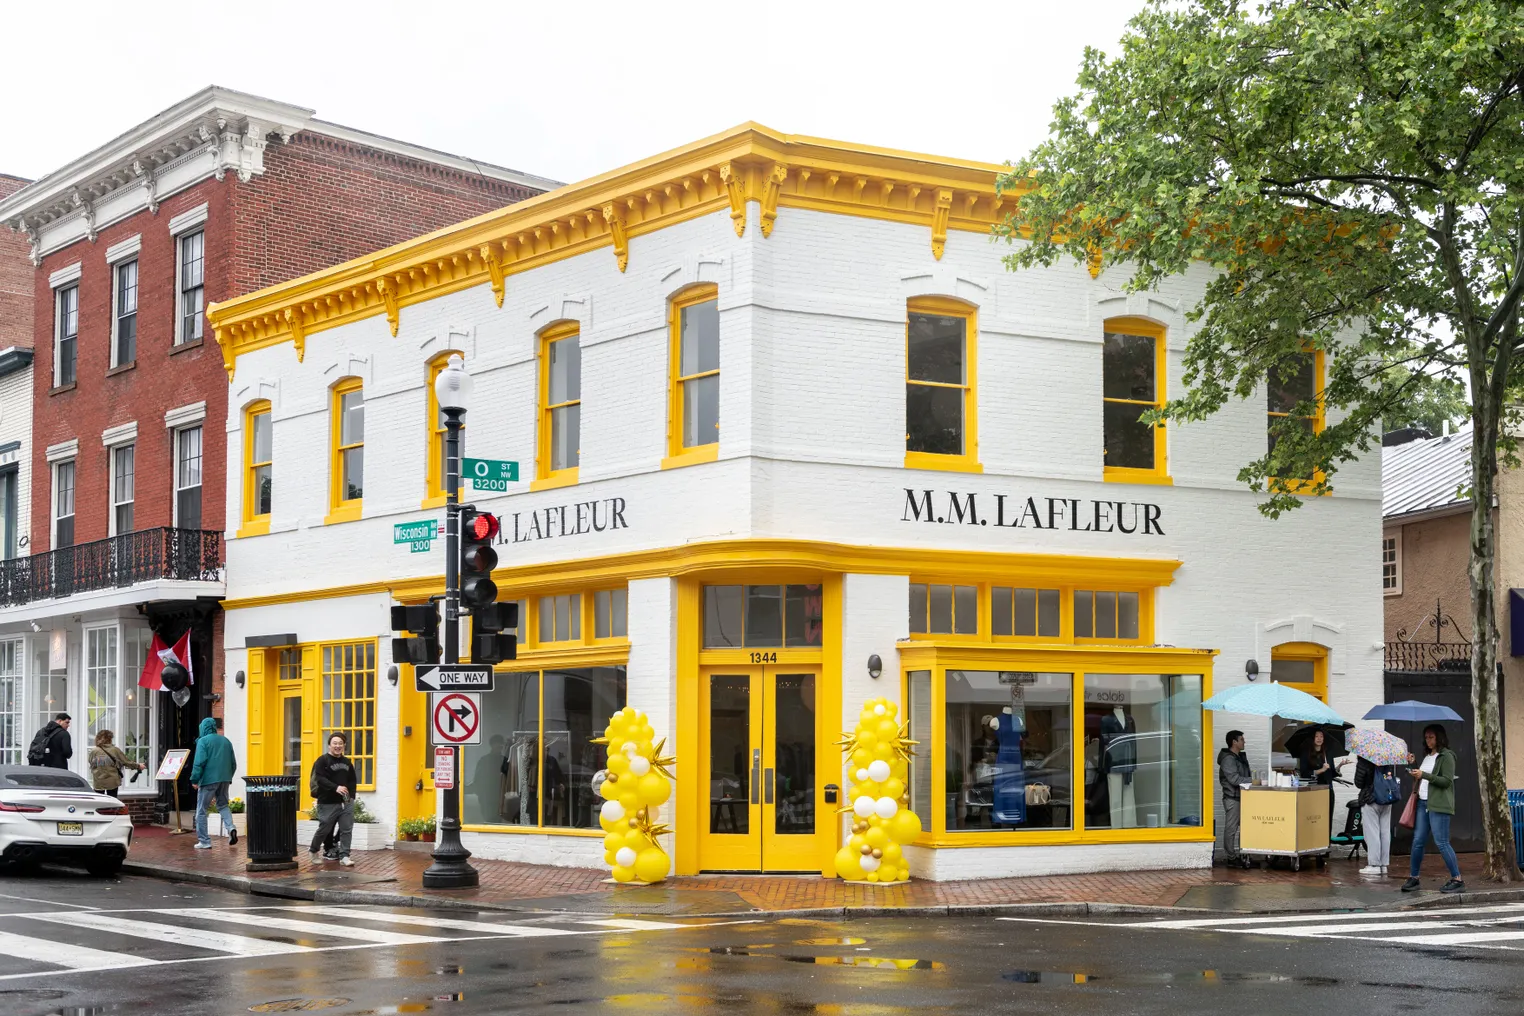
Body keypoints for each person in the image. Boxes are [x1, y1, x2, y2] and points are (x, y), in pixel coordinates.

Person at [1403, 724, 1463, 894]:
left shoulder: (1447, 756)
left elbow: (1446, 781)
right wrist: (1413, 765)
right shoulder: (1428, 757)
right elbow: (1424, 777)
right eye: (1426, 737)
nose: (1428, 740)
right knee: (1417, 842)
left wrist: (1424, 775)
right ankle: (1414, 878)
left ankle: (1457, 879)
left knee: (1442, 842)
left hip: (1438, 805)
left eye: (1431, 737)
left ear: (1439, 737)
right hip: (1423, 803)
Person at [189, 715, 238, 849]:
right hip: (225, 779)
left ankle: (204, 841)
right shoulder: (226, 741)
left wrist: (195, 779)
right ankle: (231, 828)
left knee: (201, 810)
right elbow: (233, 763)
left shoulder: (203, 741)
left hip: (208, 780)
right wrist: (228, 777)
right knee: (223, 805)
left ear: (203, 728)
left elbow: (199, 762)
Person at [310, 732, 358, 867]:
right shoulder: (322, 761)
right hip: (327, 801)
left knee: (346, 829)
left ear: (344, 746)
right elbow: (320, 778)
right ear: (329, 745)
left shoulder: (347, 762)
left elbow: (352, 780)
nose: (338, 746)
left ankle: (345, 856)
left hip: (346, 801)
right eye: (335, 743)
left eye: (340, 744)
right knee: (324, 827)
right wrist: (335, 787)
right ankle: (313, 850)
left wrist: (351, 797)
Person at [1353, 753, 1398, 877]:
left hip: (1370, 800)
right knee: (1384, 832)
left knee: (1372, 832)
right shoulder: (1387, 758)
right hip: (1386, 799)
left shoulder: (1364, 760)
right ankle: (1383, 865)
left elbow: (1358, 783)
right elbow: (1388, 777)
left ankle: (1374, 865)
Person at [1298, 728, 1347, 835]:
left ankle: (1326, 843)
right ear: (1313, 738)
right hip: (1314, 791)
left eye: (1321, 736)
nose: (1319, 738)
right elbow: (1304, 773)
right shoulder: (1306, 753)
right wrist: (1321, 770)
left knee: (1328, 817)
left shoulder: (1327, 753)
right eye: (1317, 736)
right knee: (1315, 817)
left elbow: (1332, 772)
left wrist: (1340, 766)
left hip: (1328, 789)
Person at [1217, 729, 1253, 867]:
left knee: (1245, 828)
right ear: (1234, 742)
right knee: (1231, 829)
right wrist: (1252, 780)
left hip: (1242, 797)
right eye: (1242, 739)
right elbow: (1234, 779)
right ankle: (1231, 858)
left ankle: (1243, 855)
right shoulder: (1228, 759)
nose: (1245, 742)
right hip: (1232, 798)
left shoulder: (1240, 757)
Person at [88, 729, 146, 798]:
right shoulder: (115, 750)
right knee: (113, 802)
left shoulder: (94, 751)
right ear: (110, 739)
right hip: (112, 781)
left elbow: (90, 761)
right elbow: (126, 762)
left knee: (99, 802)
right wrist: (138, 766)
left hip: (98, 781)